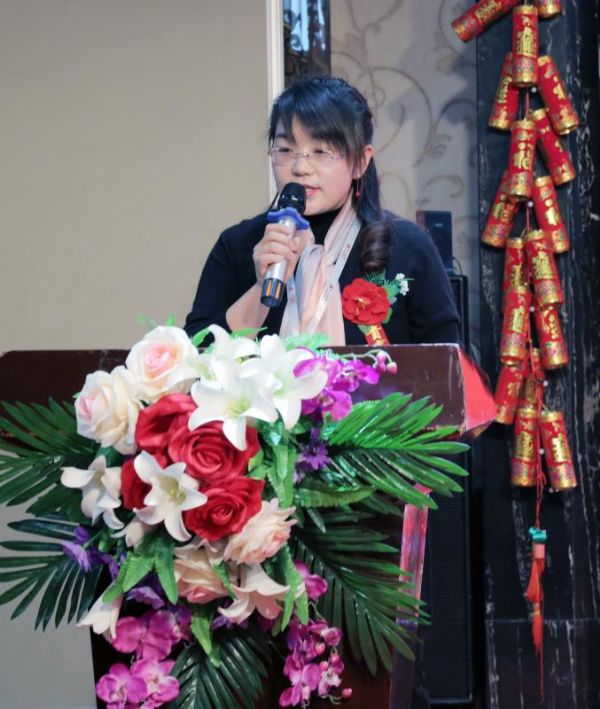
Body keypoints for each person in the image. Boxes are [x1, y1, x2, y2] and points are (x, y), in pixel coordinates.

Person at [184, 76, 460, 346]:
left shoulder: (407, 247)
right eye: (285, 149)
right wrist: (260, 288)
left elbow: (447, 363)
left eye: (321, 151)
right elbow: (194, 357)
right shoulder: (238, 245)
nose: (300, 167)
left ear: (361, 162)